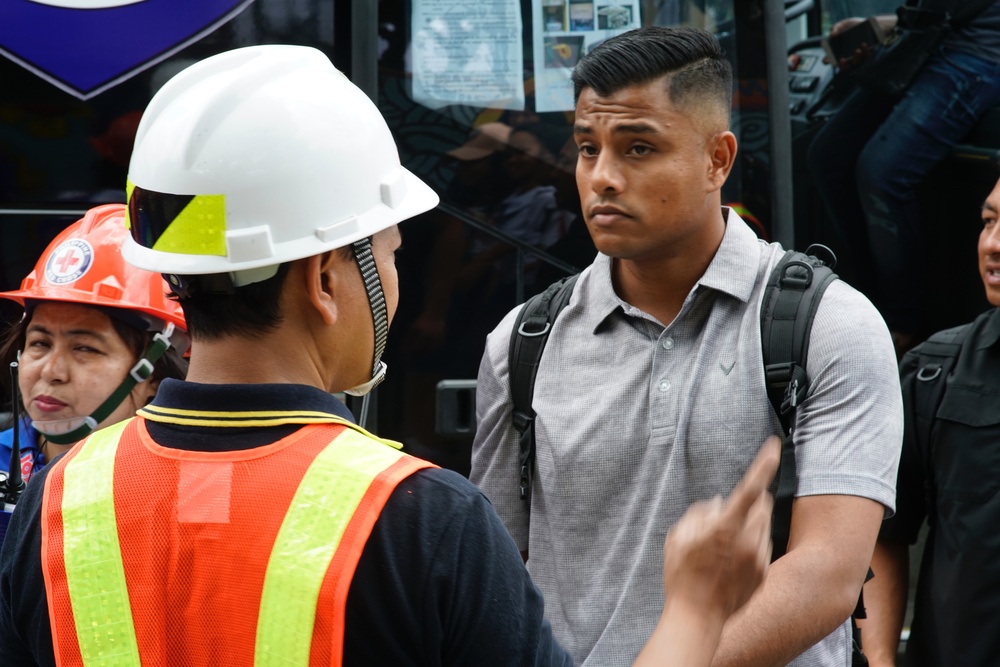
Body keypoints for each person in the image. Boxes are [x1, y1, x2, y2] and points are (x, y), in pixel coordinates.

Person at [0, 44, 782, 667]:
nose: (398, 276)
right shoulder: (422, 520)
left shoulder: (61, 504)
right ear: (325, 279)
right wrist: (696, 607)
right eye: (389, 250)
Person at [471, 25, 903, 667]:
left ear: (717, 160)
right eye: (588, 149)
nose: (602, 178)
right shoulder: (524, 343)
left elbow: (829, 576)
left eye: (639, 147)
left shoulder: (826, 325)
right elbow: (497, 579)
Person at [857, 175, 1000, 667]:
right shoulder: (934, 372)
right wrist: (879, 661)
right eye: (988, 221)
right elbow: (881, 535)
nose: (993, 244)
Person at [807, 0, 1000, 354]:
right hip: (930, 35)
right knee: (827, 155)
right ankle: (860, 295)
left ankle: (901, 325)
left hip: (982, 52)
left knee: (881, 172)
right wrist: (884, 25)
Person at [0, 203, 188, 484]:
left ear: (154, 376)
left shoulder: (180, 482)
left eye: (84, 348)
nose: (51, 372)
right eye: (40, 343)